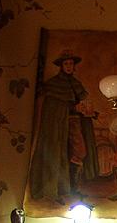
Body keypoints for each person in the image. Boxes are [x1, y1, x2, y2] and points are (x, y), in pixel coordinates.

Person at [28, 49, 97, 203]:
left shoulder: (75, 83)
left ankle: (72, 187)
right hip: (58, 127)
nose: (69, 66)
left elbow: (80, 101)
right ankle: (58, 190)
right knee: (58, 154)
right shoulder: (54, 85)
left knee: (79, 152)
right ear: (61, 66)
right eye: (66, 64)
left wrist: (88, 111)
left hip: (74, 123)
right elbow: (54, 108)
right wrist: (71, 108)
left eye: (71, 64)